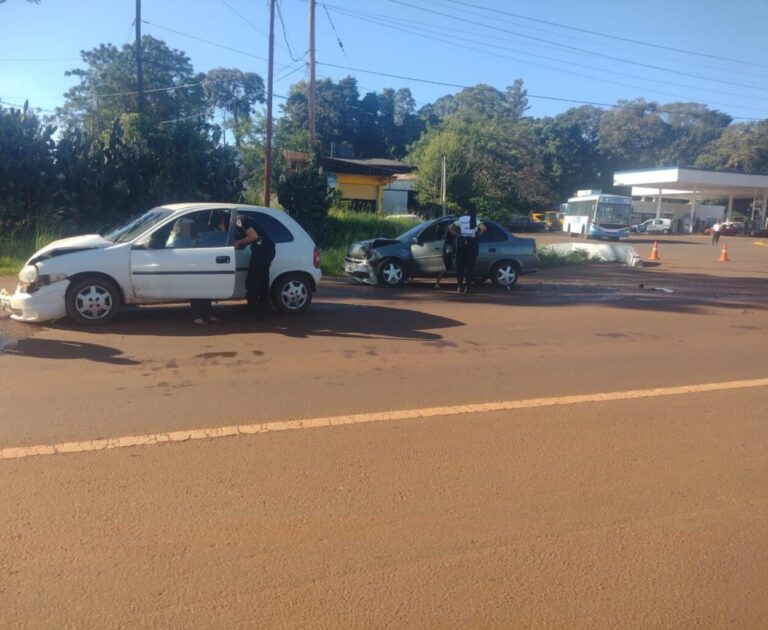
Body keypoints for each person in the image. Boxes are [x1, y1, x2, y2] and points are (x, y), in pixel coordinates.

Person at [190, 213, 229, 326]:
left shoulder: (211, 229)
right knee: (198, 289)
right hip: (197, 260)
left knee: (205, 289)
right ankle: (198, 316)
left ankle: (206, 315)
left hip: (206, 260)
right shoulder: (191, 226)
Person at [235, 214, 275, 320]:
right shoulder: (242, 220)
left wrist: (238, 242)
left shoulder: (238, 221)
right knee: (262, 281)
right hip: (266, 249)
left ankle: (251, 313)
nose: (221, 229)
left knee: (253, 281)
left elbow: (253, 236)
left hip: (262, 251)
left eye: (220, 226)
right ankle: (263, 310)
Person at [448, 209, 486, 293]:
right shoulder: (475, 219)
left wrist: (457, 235)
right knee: (470, 267)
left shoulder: (461, 220)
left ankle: (459, 286)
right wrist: (478, 235)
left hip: (462, 242)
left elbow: (450, 227)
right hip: (472, 243)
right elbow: (483, 228)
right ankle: (467, 287)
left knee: (460, 267)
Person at [434, 225, 456, 289]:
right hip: (448, 249)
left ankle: (437, 283)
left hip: (449, 250)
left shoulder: (450, 234)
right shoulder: (449, 235)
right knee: (443, 267)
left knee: (443, 267)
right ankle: (437, 283)